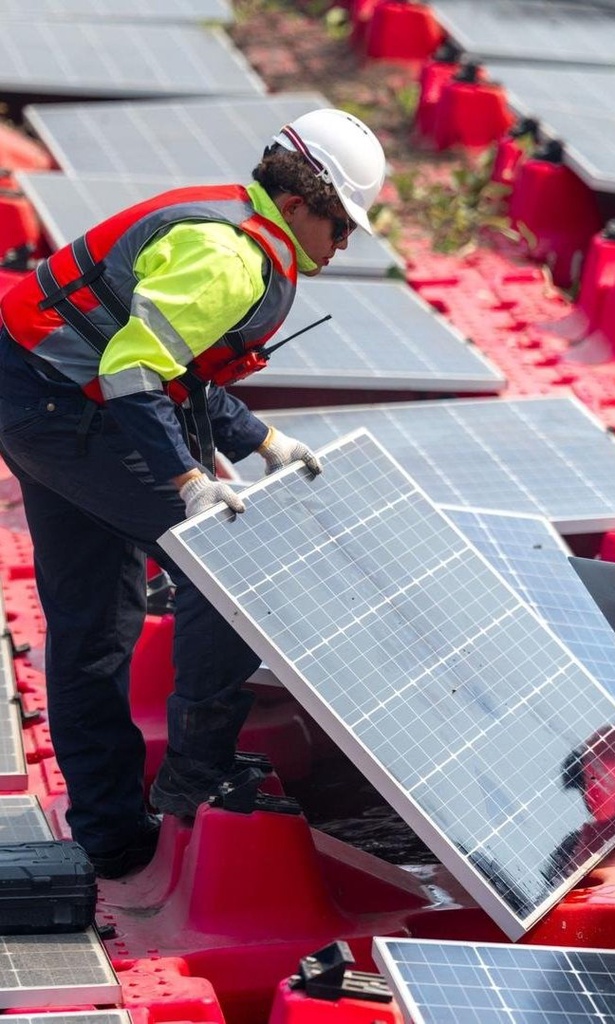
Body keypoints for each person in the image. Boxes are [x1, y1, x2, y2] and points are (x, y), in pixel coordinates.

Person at [0, 108, 386, 879]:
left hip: (32, 394)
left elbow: (177, 371)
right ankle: (194, 781)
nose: (341, 247)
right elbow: (135, 371)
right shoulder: (230, 258)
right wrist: (189, 484)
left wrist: (260, 441)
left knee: (94, 630)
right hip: (61, 408)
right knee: (229, 573)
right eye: (341, 227)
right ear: (303, 202)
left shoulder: (237, 221)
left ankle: (112, 838)